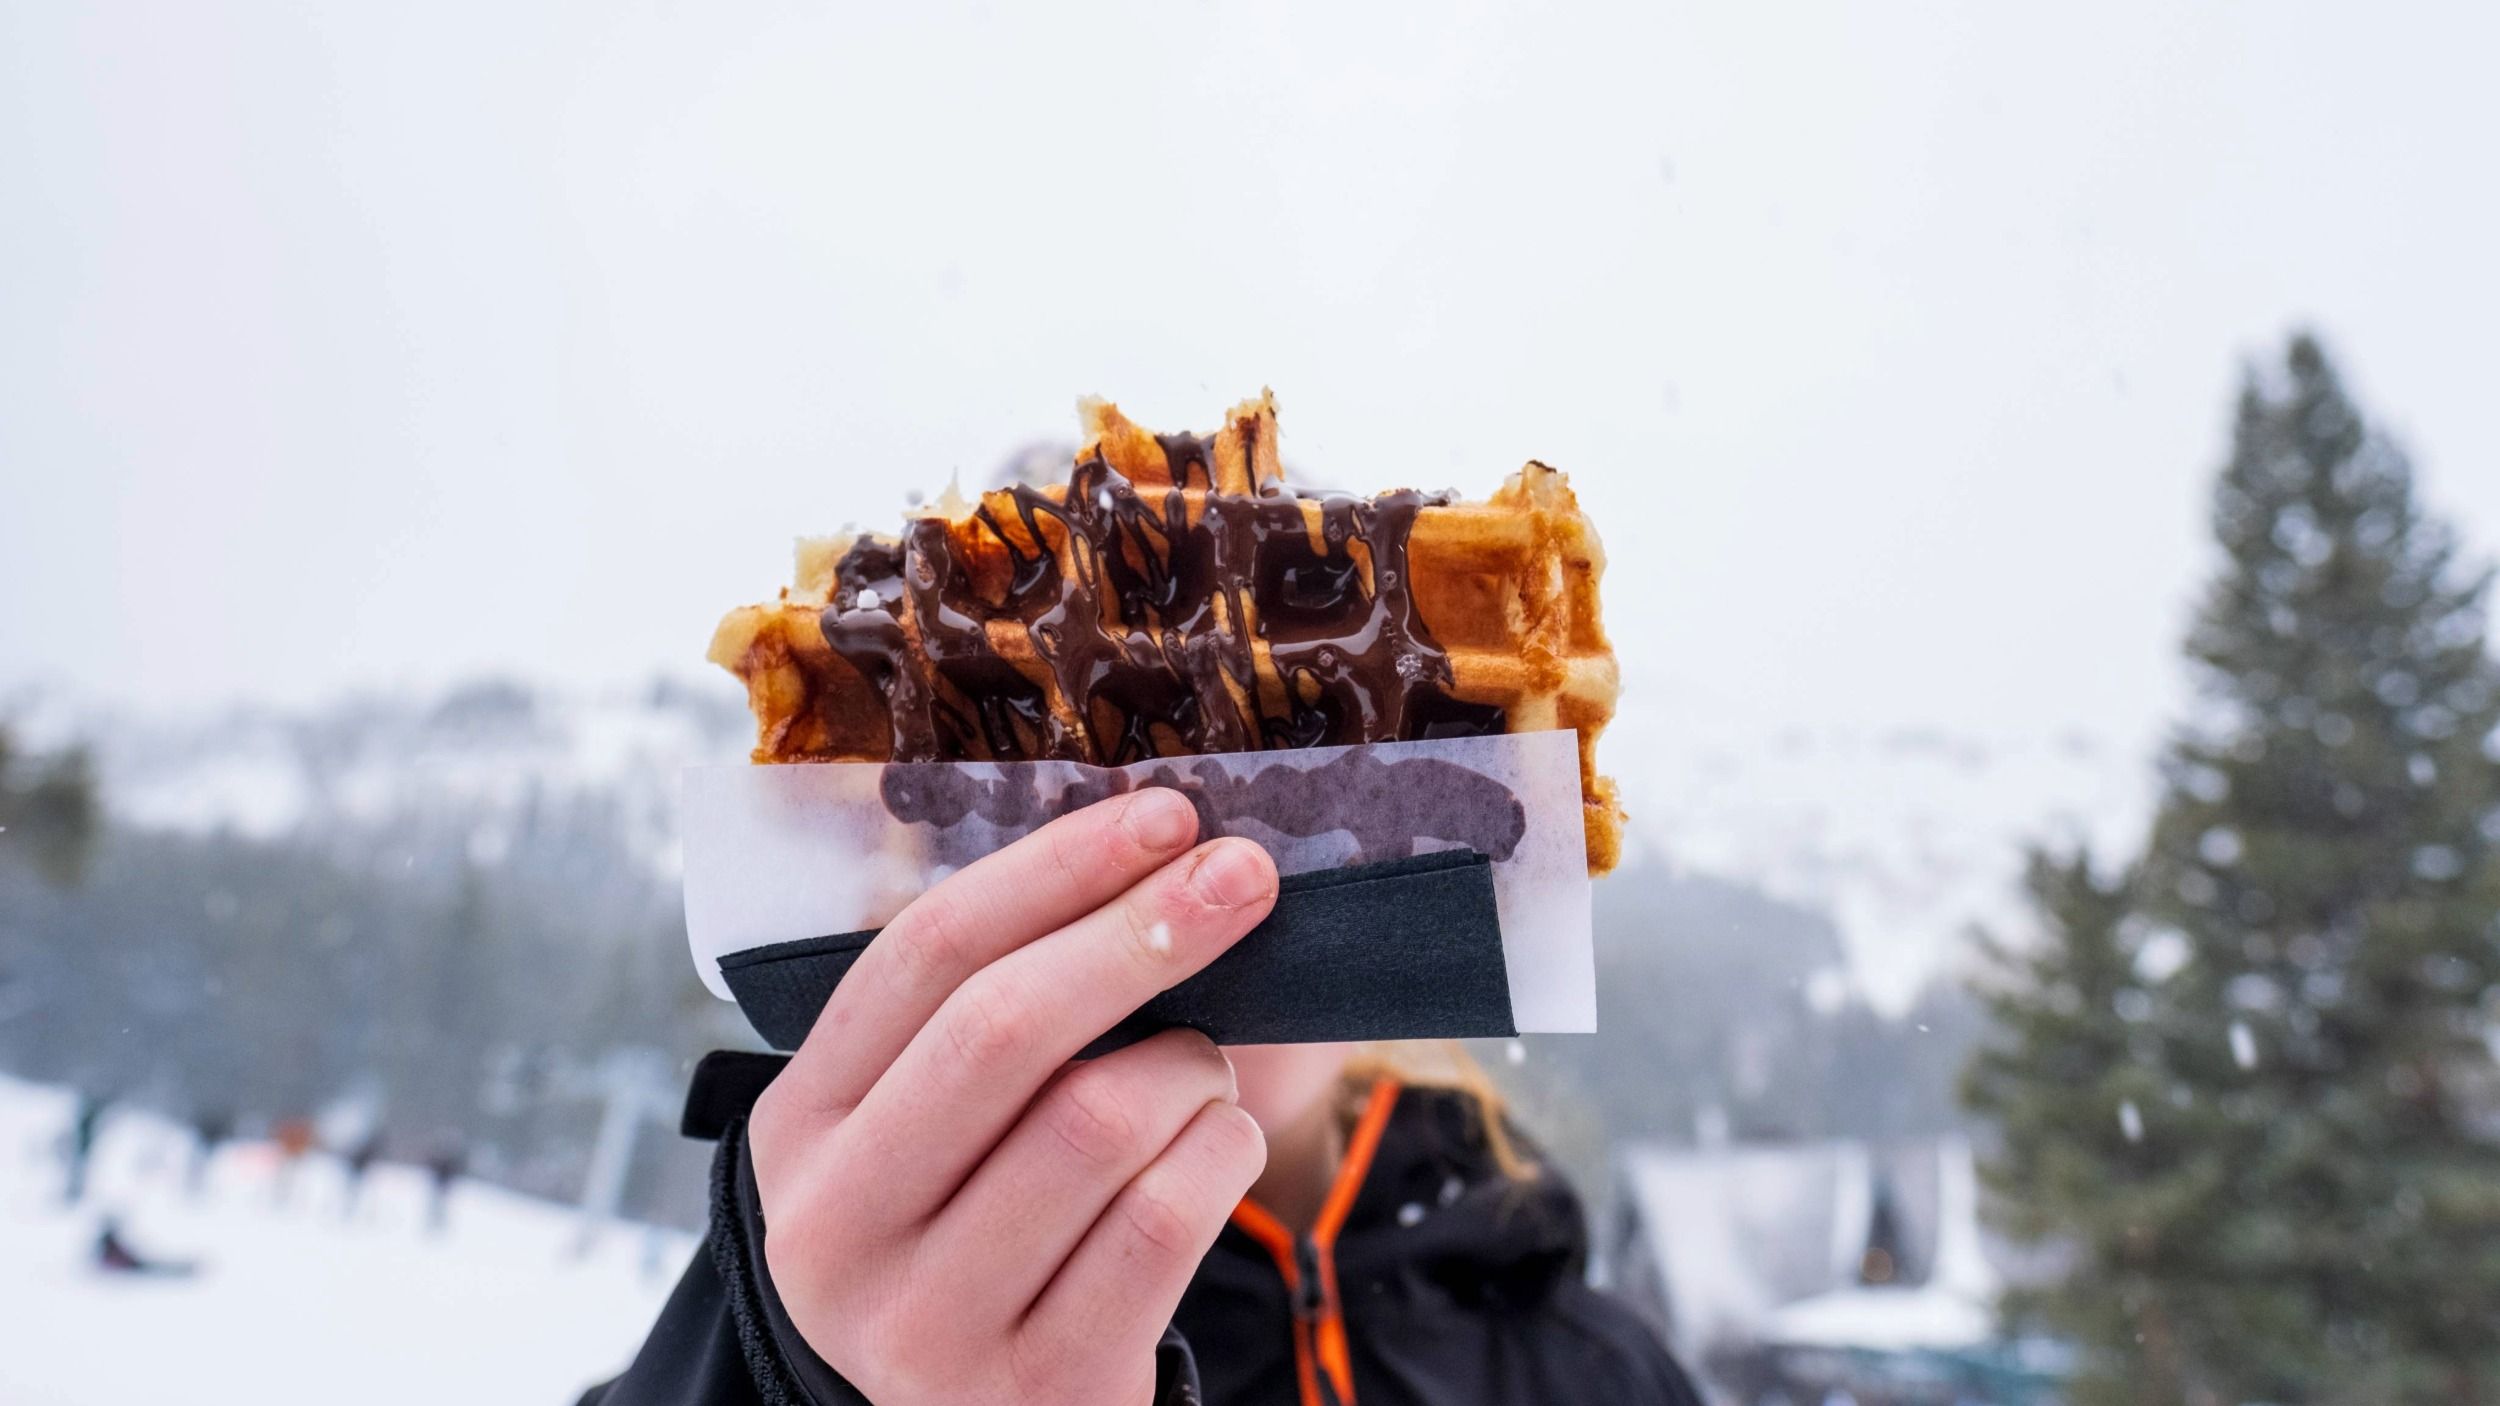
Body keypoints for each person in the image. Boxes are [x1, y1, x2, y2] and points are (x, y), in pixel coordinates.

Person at [586, 790, 1700, 1405]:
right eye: (1016, 828)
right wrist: (782, 1377)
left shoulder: (1601, 1371)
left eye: (1272, 807)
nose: (1163, 919)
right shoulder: (739, 1347)